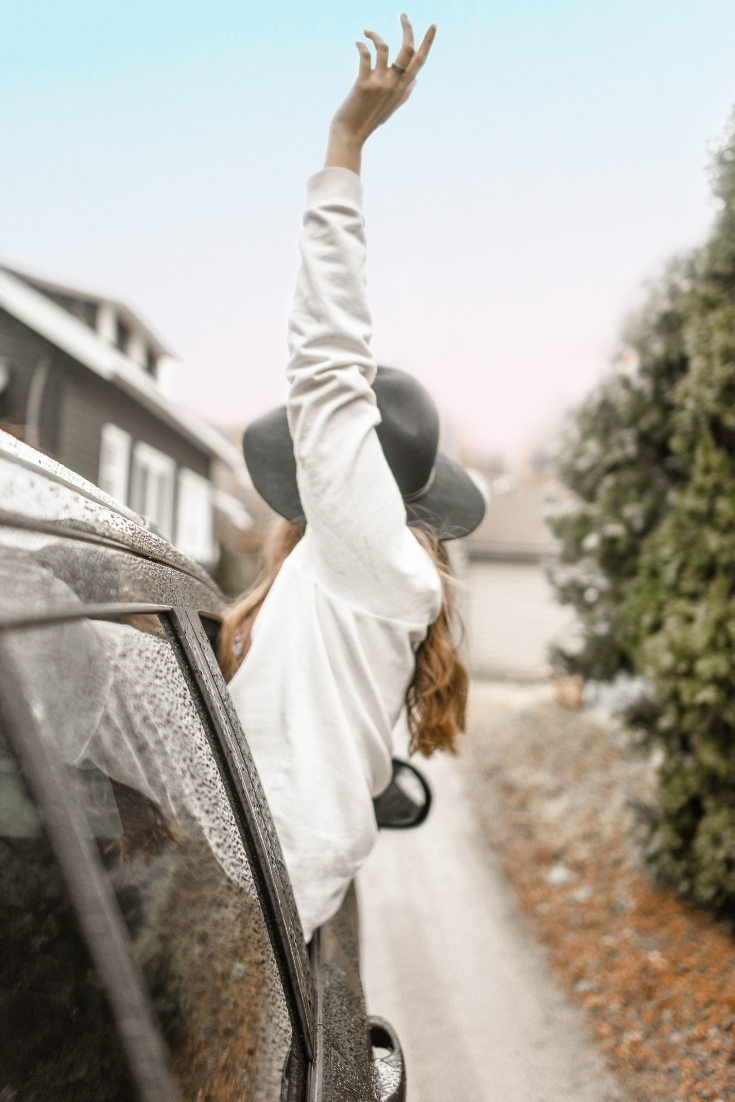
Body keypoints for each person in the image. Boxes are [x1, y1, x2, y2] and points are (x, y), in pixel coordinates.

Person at [220, 15, 486, 943]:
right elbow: (346, 750)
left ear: (353, 482)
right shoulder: (356, 588)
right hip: (258, 879)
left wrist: (345, 148)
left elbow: (330, 365)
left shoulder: (371, 564)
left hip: (251, 894)